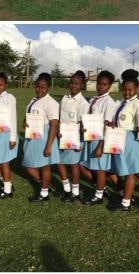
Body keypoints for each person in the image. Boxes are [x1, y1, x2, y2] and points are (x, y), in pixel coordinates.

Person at [107, 69, 139, 212]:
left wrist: (138, 128)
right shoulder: (121, 102)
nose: (127, 92)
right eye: (124, 90)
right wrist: (112, 124)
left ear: (136, 89)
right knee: (113, 169)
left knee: (130, 172)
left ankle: (126, 203)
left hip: (129, 140)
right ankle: (125, 193)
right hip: (117, 138)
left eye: (130, 90)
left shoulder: (138, 105)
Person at [79, 70, 117, 206]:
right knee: (83, 165)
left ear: (109, 86)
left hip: (100, 139)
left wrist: (101, 146)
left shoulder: (109, 102)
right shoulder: (93, 99)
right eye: (99, 84)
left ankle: (99, 195)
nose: (100, 87)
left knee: (100, 169)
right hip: (89, 137)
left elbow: (106, 126)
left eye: (104, 84)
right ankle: (102, 188)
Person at [23, 72, 60, 202]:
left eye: (43, 87)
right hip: (32, 136)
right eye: (38, 86)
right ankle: (45, 185)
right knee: (29, 165)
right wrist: (24, 121)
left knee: (44, 166)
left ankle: (44, 193)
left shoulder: (51, 103)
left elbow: (54, 125)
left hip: (44, 138)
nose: (40, 89)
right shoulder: (34, 100)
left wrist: (49, 146)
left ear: (48, 88)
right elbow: (28, 115)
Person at [56, 71, 89, 202]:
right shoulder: (65, 98)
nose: (73, 86)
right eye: (71, 83)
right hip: (62, 136)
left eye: (77, 83)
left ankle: (75, 192)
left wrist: (77, 139)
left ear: (82, 85)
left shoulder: (83, 103)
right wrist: (59, 129)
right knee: (59, 161)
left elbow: (83, 123)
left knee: (74, 165)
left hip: (74, 138)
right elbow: (60, 117)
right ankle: (66, 189)